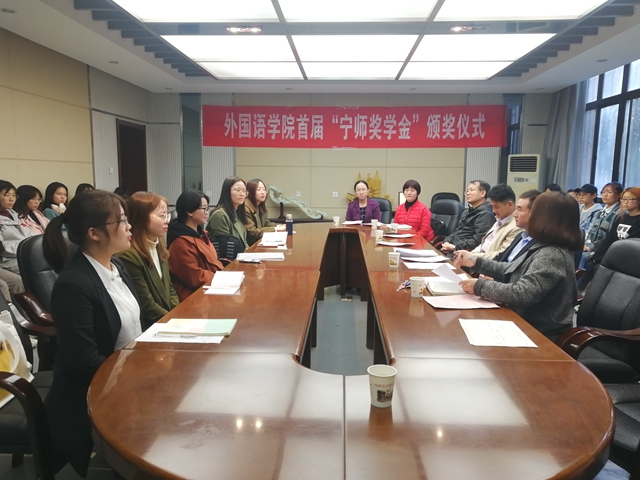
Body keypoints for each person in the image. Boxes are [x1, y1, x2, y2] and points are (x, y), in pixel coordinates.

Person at [42, 189, 141, 476]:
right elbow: (84, 362)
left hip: (125, 378)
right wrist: (137, 377)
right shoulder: (73, 285)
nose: (129, 227)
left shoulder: (116, 266)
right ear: (94, 233)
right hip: (95, 395)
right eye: (121, 221)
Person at [454, 191, 582, 340]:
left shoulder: (552, 254)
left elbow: (522, 294)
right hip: (521, 318)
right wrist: (476, 262)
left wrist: (479, 286)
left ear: (546, 218)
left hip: (537, 330)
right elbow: (510, 269)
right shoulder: (542, 245)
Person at [116, 192, 179, 329]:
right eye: (162, 216)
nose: (167, 220)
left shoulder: (159, 245)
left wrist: (178, 314)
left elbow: (169, 288)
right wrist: (174, 321)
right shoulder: (128, 255)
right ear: (142, 217)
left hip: (167, 321)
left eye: (167, 215)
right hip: (149, 327)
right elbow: (146, 305)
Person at [167, 190, 223, 301]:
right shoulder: (180, 242)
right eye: (204, 208)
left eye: (207, 208)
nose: (207, 212)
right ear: (190, 211)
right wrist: (221, 278)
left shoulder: (200, 234)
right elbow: (196, 277)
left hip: (211, 286)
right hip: (193, 296)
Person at [469, 184, 522, 260]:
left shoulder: (517, 226)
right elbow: (484, 245)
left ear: (510, 204)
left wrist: (472, 256)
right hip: (480, 259)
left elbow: (502, 254)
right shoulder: (500, 218)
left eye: (497, 207)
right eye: (492, 206)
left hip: (488, 263)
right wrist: (471, 254)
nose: (493, 211)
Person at [441, 180, 495, 253]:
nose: (468, 193)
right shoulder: (466, 211)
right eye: (467, 191)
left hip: (464, 252)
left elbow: (478, 241)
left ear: (483, 193)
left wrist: (454, 247)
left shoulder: (486, 214)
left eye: (471, 190)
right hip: (452, 248)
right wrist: (447, 241)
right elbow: (457, 232)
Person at [591, 186, 640, 265]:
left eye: (630, 199)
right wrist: (597, 256)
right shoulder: (622, 218)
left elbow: (630, 245)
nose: (625, 202)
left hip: (627, 259)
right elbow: (609, 239)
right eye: (623, 199)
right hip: (613, 254)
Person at [580, 182, 622, 268]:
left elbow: (610, 237)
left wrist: (590, 247)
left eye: (609, 192)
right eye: (603, 192)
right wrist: (586, 244)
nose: (605, 195)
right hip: (591, 247)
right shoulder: (601, 211)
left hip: (603, 251)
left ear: (618, 195)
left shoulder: (619, 213)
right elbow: (592, 230)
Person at [495, 190, 541, 263]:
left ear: (534, 213)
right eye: (516, 209)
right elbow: (500, 257)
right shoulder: (520, 236)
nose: (514, 214)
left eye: (519, 209)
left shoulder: (540, 246)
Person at [207, 176, 250, 249]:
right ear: (227, 192)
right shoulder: (219, 215)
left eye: (244, 191)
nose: (242, 194)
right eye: (238, 190)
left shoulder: (238, 213)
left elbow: (244, 242)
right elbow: (225, 246)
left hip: (241, 254)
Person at [0, 180, 32, 274]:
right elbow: (2, 248)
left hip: (25, 253)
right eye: (7, 195)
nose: (12, 199)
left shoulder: (13, 214)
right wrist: (25, 250)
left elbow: (28, 233)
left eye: (14, 195)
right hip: (8, 260)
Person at [244, 179, 285, 245]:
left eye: (264, 189)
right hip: (250, 245)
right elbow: (252, 232)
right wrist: (276, 229)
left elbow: (266, 223)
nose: (263, 192)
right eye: (259, 190)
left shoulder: (260, 206)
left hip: (259, 242)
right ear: (250, 192)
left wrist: (279, 226)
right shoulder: (245, 208)